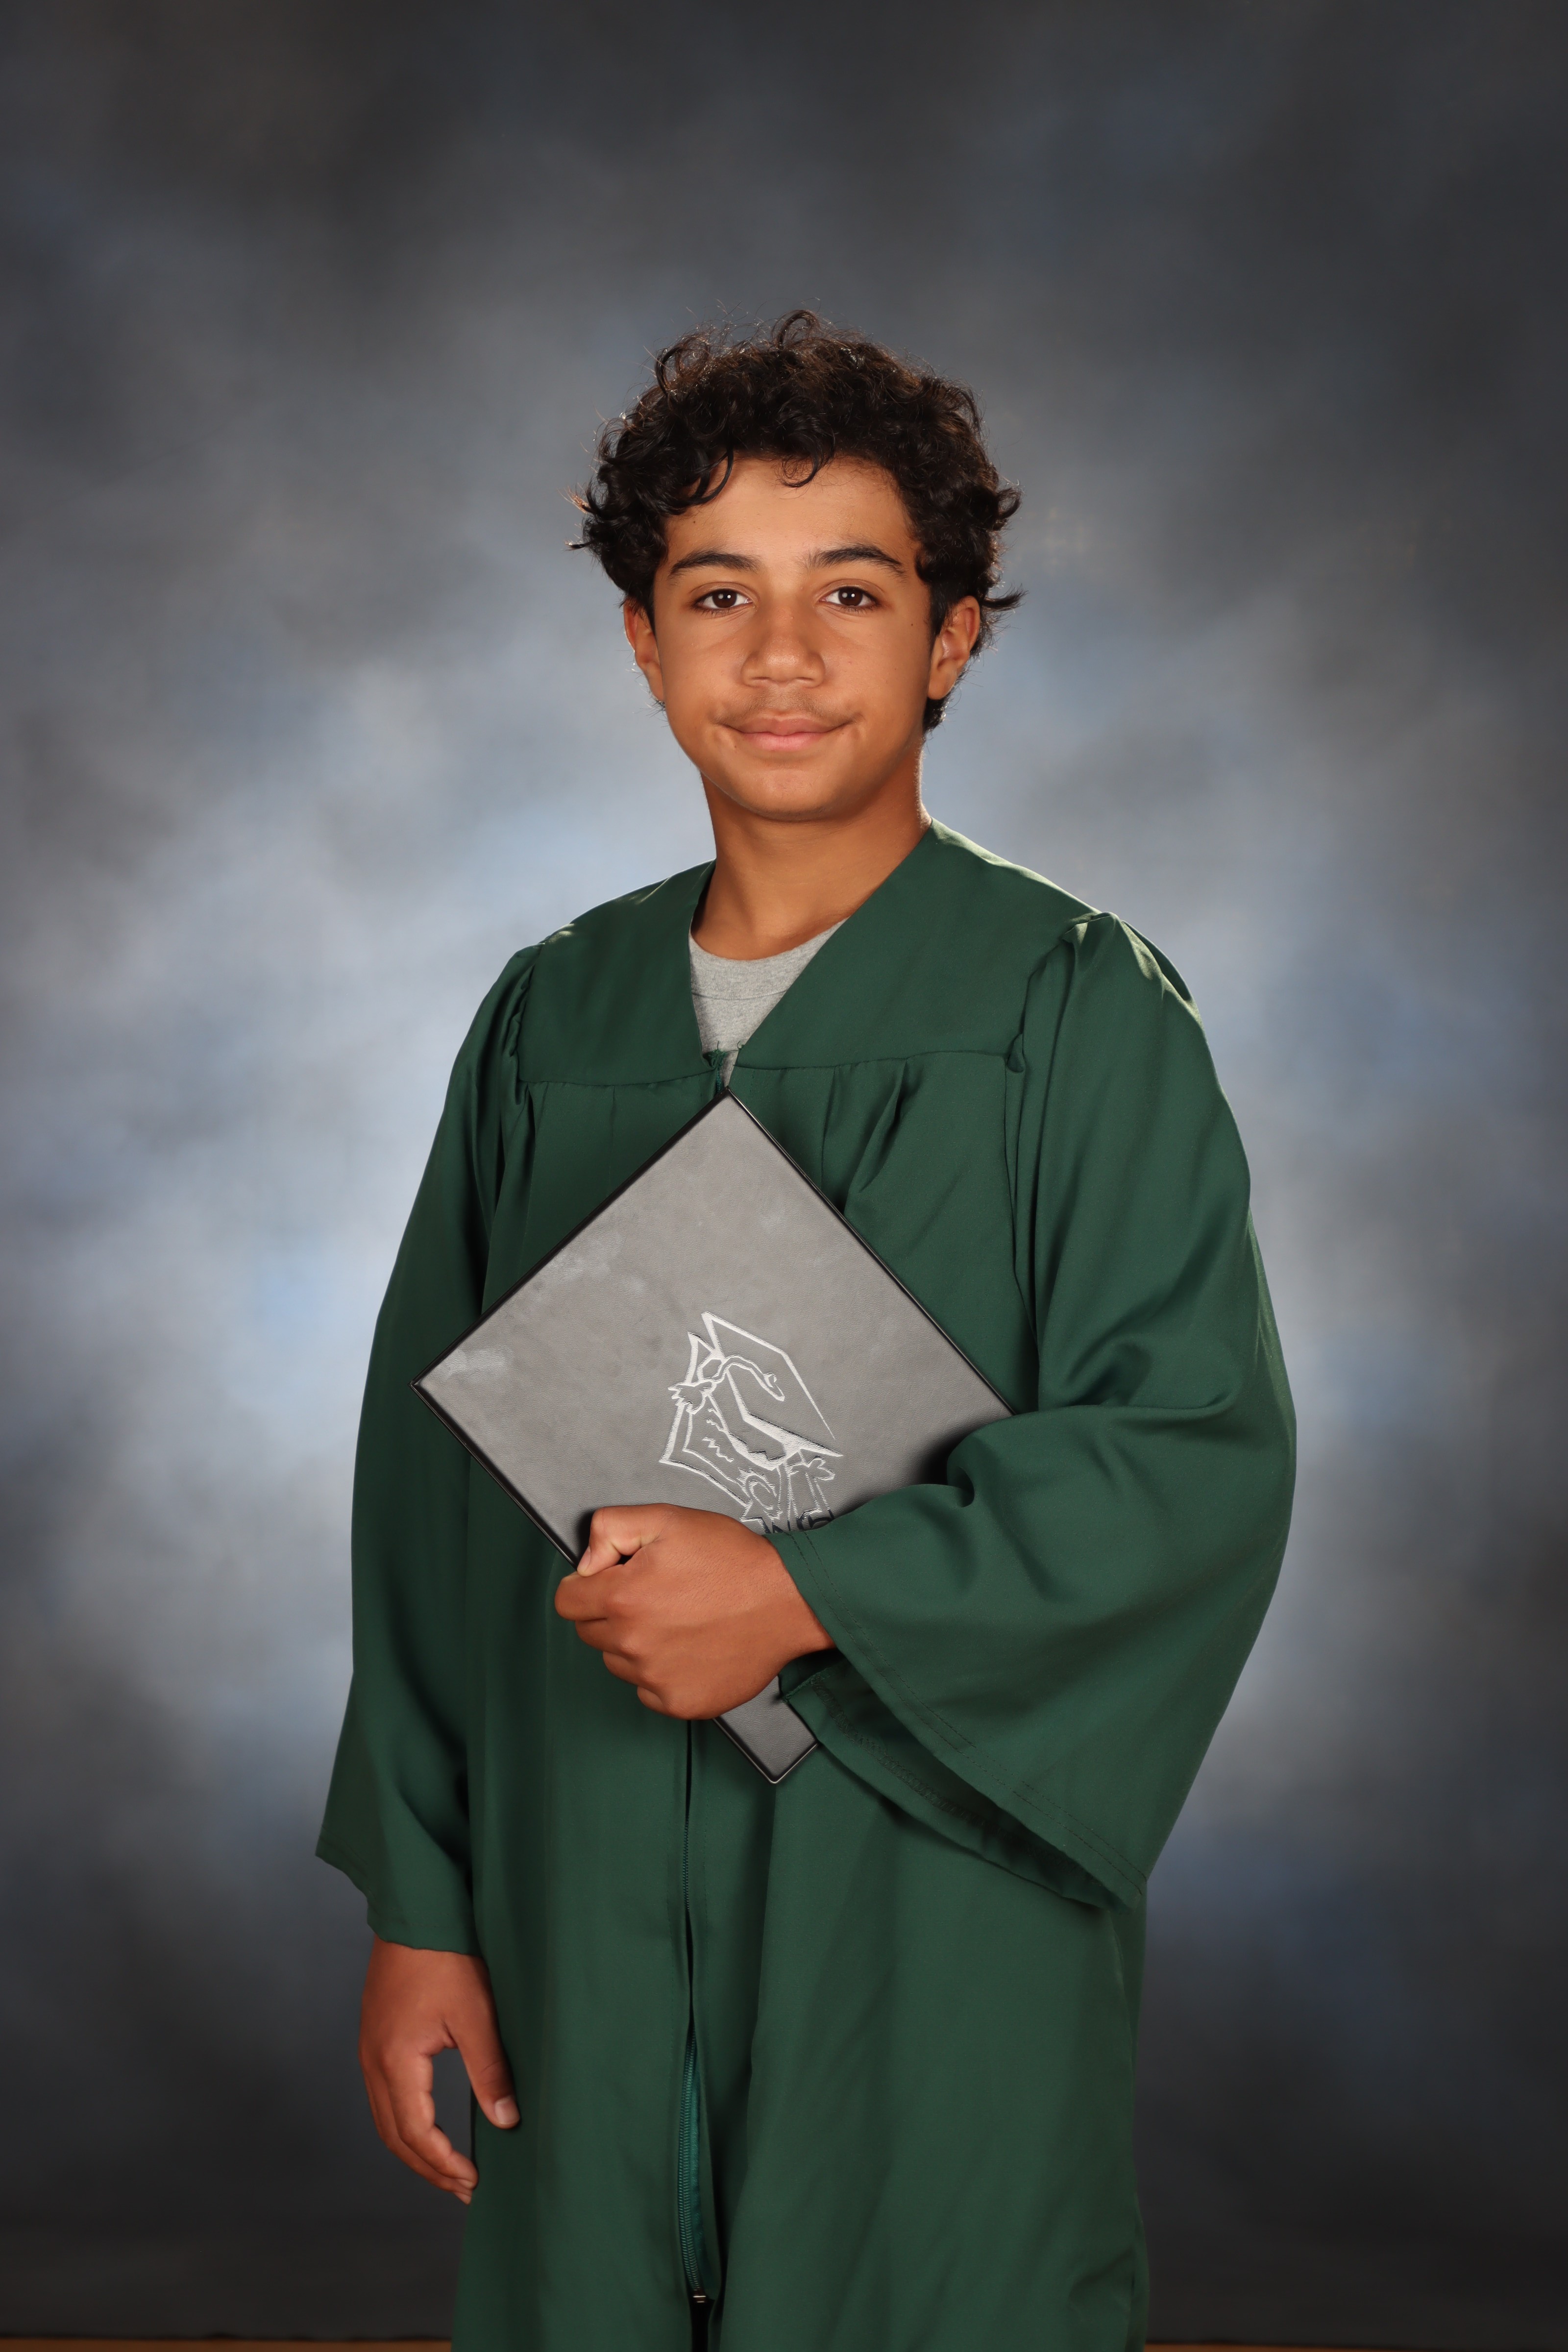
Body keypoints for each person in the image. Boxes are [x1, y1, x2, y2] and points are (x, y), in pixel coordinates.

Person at [318, 311, 1296, 2352]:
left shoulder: (1072, 1010)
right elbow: (431, 1503)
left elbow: (1183, 1452)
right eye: (716, 596)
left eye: (850, 592)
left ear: (950, 640)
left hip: (919, 1887)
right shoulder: (550, 1020)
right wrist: (423, 1901)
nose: (780, 655)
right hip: (576, 1879)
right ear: (642, 644)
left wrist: (804, 1593)